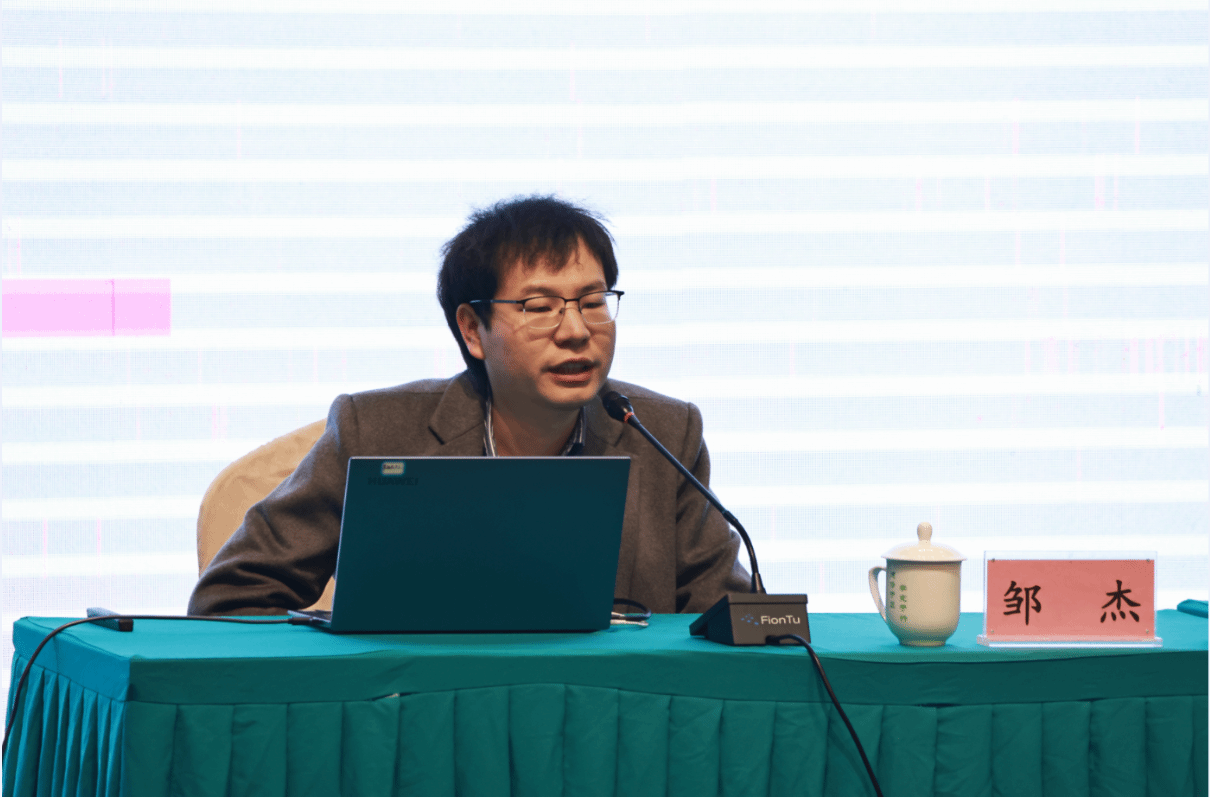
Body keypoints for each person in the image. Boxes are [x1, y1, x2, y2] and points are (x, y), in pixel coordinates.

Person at [188, 196, 749, 616]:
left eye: (593, 301)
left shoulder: (664, 433)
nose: (577, 331)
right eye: (539, 306)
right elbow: (232, 598)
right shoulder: (374, 432)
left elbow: (729, 619)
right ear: (472, 329)